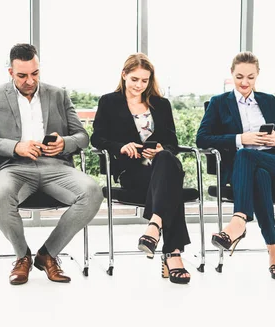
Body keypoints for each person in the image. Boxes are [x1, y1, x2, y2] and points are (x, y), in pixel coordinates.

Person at [0, 43, 102, 285]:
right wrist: (15, 146)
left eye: (35, 73)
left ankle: (47, 254)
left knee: (92, 192)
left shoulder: (58, 94)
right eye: (22, 75)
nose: (30, 80)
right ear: (11, 72)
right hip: (13, 168)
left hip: (56, 168)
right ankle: (22, 256)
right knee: (0, 194)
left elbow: (82, 136)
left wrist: (63, 143)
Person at [196, 51, 275, 280]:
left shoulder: (269, 101)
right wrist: (240, 138)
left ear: (258, 75)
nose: (245, 83)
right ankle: (274, 250)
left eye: (251, 77)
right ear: (231, 73)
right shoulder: (218, 103)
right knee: (256, 172)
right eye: (240, 76)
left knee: (248, 158)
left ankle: (238, 222)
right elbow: (201, 139)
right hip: (246, 172)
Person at [91, 53, 191, 284]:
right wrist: (121, 147)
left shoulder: (161, 104)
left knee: (166, 158)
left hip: (160, 165)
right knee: (171, 185)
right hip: (131, 170)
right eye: (135, 79)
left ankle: (154, 226)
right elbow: (97, 138)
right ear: (124, 75)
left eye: (144, 81)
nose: (139, 85)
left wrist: (159, 150)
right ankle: (172, 254)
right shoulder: (109, 101)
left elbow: (172, 144)